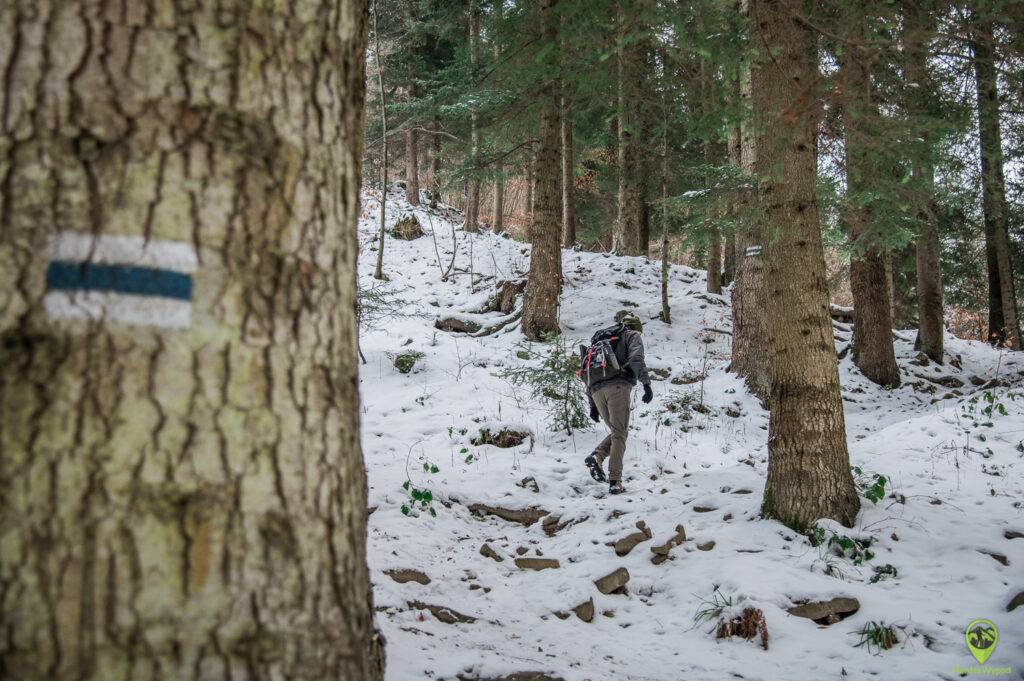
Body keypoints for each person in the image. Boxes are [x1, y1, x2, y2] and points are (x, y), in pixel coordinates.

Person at [583, 313, 653, 494]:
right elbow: (636, 359)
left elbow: (589, 372)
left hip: (596, 391)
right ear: (637, 328)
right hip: (618, 387)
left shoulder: (602, 342)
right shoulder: (632, 336)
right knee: (620, 434)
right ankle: (615, 481)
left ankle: (597, 457)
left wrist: (592, 405)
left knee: (617, 432)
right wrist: (646, 384)